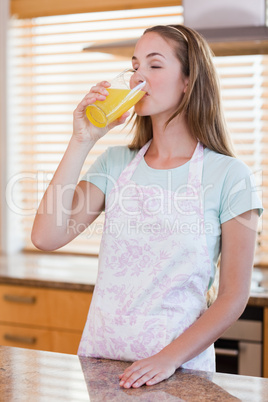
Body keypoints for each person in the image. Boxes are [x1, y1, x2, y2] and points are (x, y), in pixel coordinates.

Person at [31, 24, 263, 388]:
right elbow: (47, 236)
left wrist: (167, 359)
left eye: (154, 66)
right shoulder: (114, 163)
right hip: (102, 364)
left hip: (178, 371)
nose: (138, 76)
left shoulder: (230, 175)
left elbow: (233, 296)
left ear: (188, 80)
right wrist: (81, 140)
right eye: (134, 66)